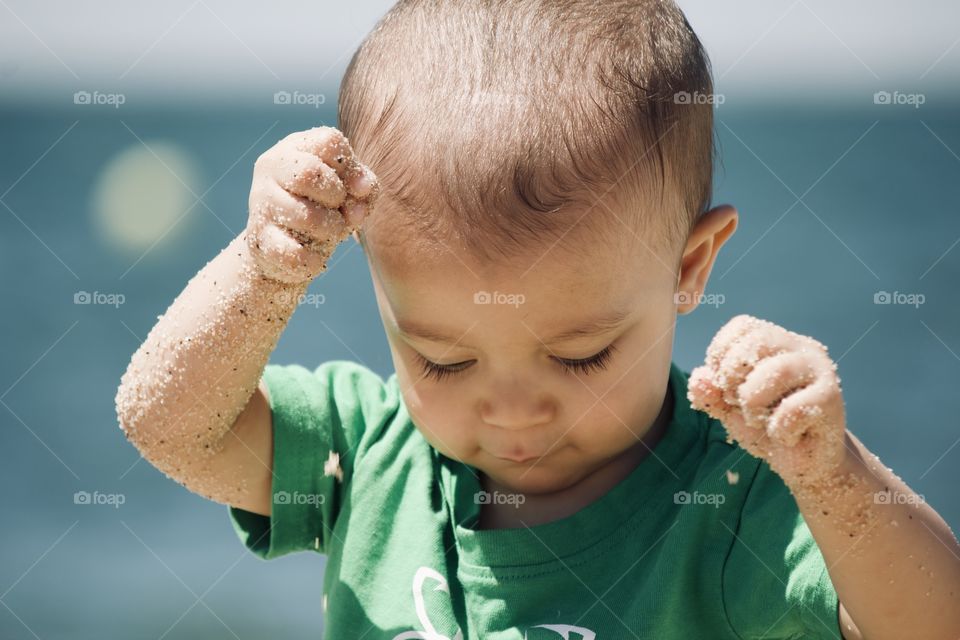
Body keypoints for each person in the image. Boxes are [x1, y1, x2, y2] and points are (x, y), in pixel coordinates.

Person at [115, 1, 960, 638]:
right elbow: (169, 425)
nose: (514, 413)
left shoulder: (736, 506)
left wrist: (834, 479)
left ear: (689, 267)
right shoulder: (365, 453)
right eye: (442, 361)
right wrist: (263, 273)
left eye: (583, 355)